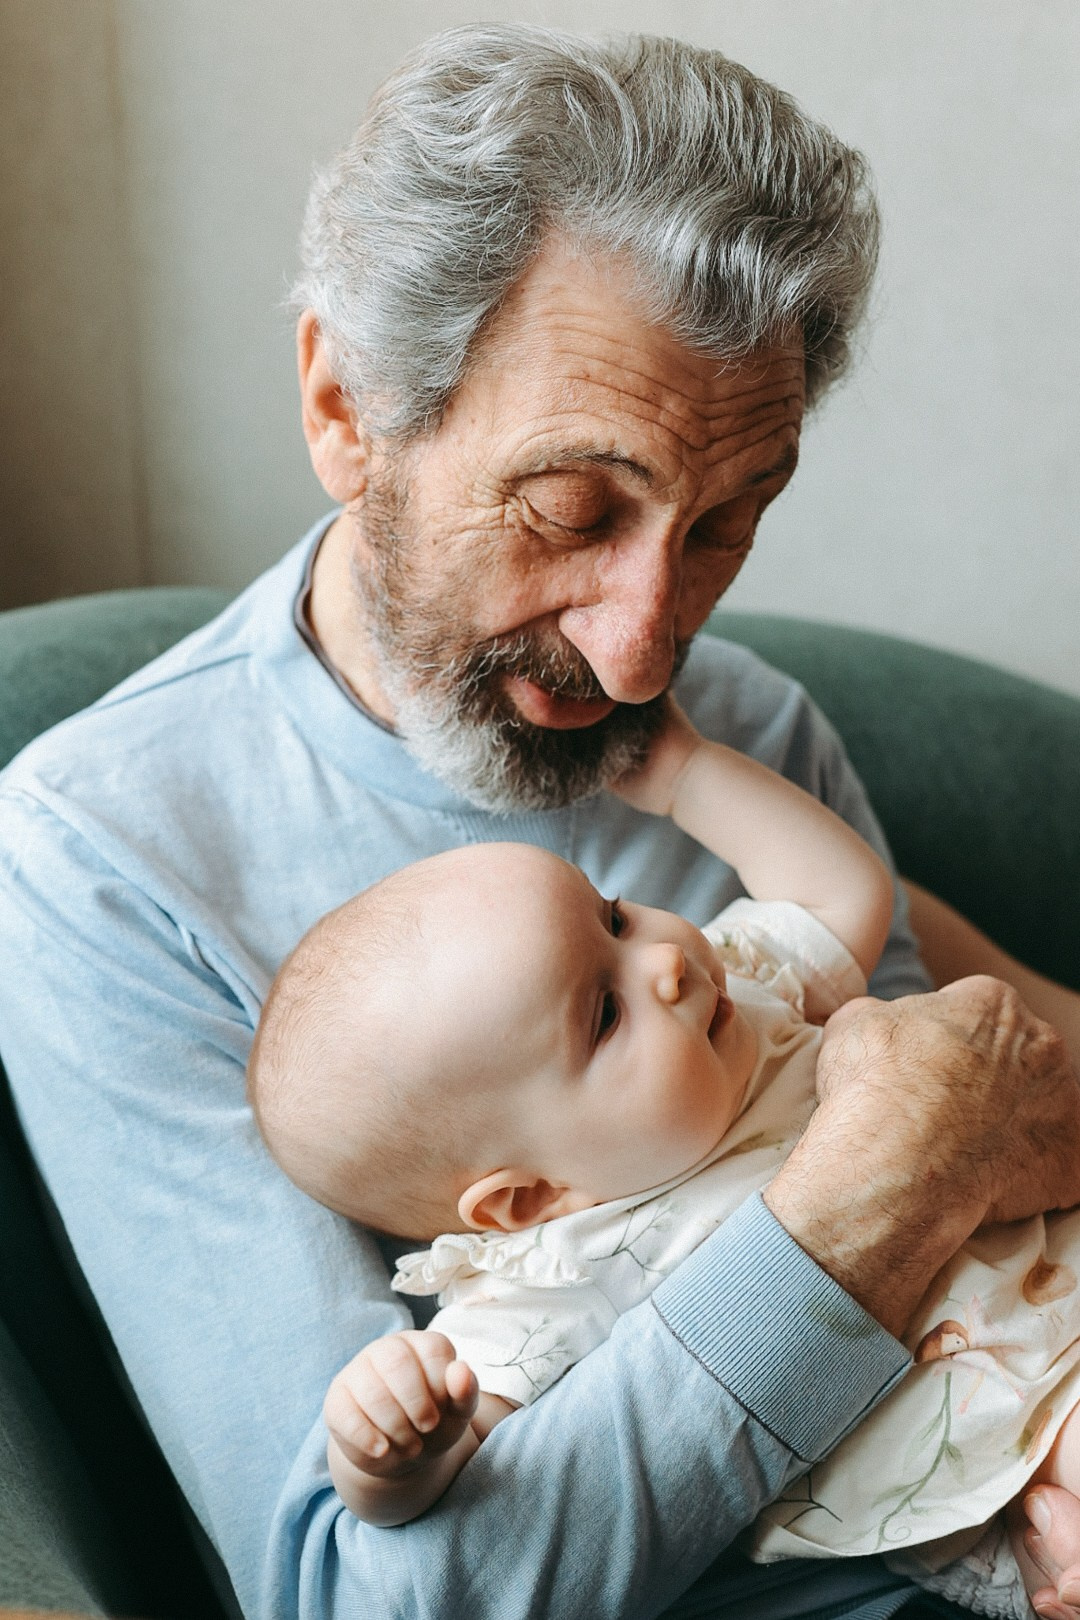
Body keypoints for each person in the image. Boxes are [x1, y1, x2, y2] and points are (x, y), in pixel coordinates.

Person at [0, 24, 1078, 1620]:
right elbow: (370, 1594)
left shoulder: (751, 742)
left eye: (724, 525)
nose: (644, 651)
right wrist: (867, 1209)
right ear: (344, 408)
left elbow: (1002, 1185)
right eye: (573, 514)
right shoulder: (101, 860)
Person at [247, 701, 1080, 1618]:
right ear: (529, 1198)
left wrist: (689, 778)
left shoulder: (744, 989)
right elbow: (471, 1484)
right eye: (604, 1014)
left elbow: (842, 897)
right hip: (998, 1451)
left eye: (611, 916)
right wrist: (388, 1456)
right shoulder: (553, 1277)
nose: (664, 961)